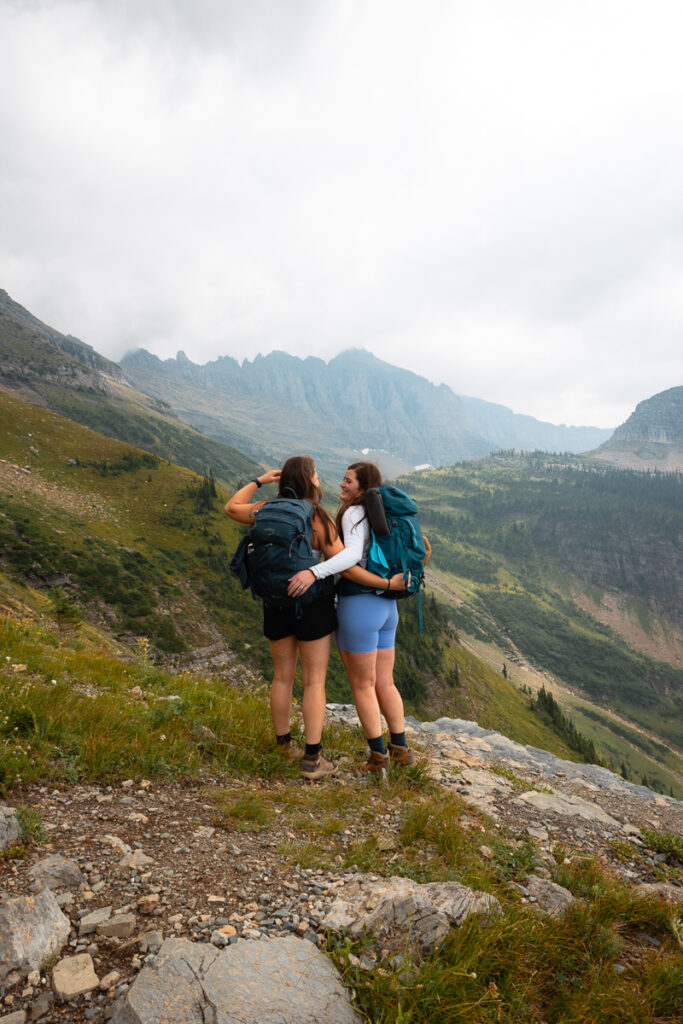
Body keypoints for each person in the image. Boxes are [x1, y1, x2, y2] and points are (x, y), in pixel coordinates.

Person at [224, 456, 404, 780]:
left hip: (274, 603)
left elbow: (231, 508)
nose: (322, 479)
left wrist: (260, 480)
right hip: (312, 607)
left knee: (282, 678)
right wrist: (385, 584)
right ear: (310, 480)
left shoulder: (265, 509)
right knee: (314, 681)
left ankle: (282, 745)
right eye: (317, 475)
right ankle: (312, 760)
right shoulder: (319, 517)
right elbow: (346, 565)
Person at [289, 461, 422, 774]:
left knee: (362, 685)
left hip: (359, 605)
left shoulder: (353, 511)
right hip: (387, 608)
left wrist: (313, 571)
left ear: (363, 488)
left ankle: (378, 758)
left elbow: (349, 556)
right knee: (385, 682)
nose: (342, 485)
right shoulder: (383, 512)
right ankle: (400, 749)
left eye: (348, 481)